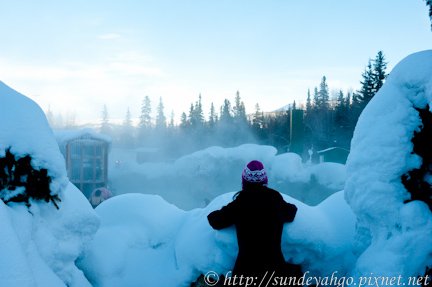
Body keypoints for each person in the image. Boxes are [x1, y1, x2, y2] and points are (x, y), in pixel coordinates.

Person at [207, 160, 298, 282]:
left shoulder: (240, 203)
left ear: (244, 181)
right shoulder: (274, 198)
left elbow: (215, 221)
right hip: (275, 268)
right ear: (264, 180)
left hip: (246, 269)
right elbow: (291, 213)